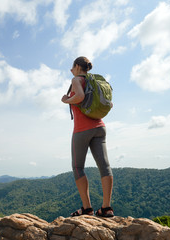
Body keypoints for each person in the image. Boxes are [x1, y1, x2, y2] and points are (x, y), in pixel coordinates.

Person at [61, 56, 114, 217]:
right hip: (100, 127)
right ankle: (106, 208)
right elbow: (110, 103)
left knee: (78, 167)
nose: (71, 70)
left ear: (78, 66)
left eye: (72, 67)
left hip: (82, 129)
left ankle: (87, 208)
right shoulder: (96, 81)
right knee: (104, 166)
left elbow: (80, 97)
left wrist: (66, 100)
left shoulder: (77, 79)